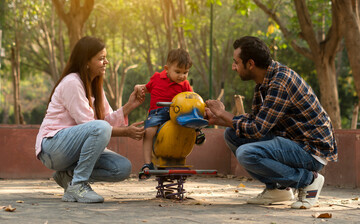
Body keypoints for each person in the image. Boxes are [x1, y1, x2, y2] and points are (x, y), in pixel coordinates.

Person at [205, 36, 337, 209]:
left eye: (236, 62)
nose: (233, 67)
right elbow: (256, 121)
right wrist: (221, 120)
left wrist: (223, 113)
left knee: (246, 153)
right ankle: (278, 189)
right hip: (291, 142)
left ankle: (309, 180)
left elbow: (257, 129)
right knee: (232, 134)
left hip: (311, 150)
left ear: (250, 63)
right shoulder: (263, 82)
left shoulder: (280, 81)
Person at [35, 36, 145, 203]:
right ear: (86, 61)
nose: (106, 62)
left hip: (72, 150)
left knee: (122, 168)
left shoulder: (95, 86)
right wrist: (126, 132)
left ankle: (68, 176)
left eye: (105, 58)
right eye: (101, 59)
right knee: (100, 128)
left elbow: (106, 121)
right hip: (52, 148)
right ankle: (78, 185)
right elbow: (93, 127)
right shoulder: (72, 82)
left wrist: (130, 105)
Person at [135, 48, 205, 179]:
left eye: (185, 72)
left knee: (191, 114)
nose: (182, 76)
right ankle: (147, 164)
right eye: (178, 72)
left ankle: (197, 132)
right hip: (158, 112)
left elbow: (192, 98)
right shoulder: (157, 78)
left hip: (178, 112)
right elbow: (145, 88)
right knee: (149, 132)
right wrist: (138, 87)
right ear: (166, 69)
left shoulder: (184, 84)